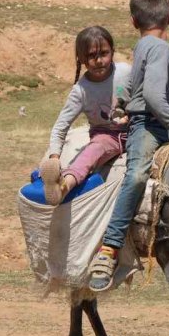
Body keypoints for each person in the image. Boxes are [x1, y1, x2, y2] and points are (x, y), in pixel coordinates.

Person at [88, 0, 169, 291]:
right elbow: (152, 96)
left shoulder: (145, 46)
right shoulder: (158, 48)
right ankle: (109, 248)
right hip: (150, 126)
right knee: (136, 174)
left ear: (132, 21)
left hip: (160, 120)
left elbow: (156, 89)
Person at [38, 26, 131, 206]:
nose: (99, 60)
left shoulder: (125, 72)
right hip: (107, 135)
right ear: (81, 58)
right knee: (90, 154)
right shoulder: (81, 91)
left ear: (113, 51)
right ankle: (63, 186)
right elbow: (61, 126)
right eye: (91, 56)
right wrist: (55, 157)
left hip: (138, 125)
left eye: (104, 53)